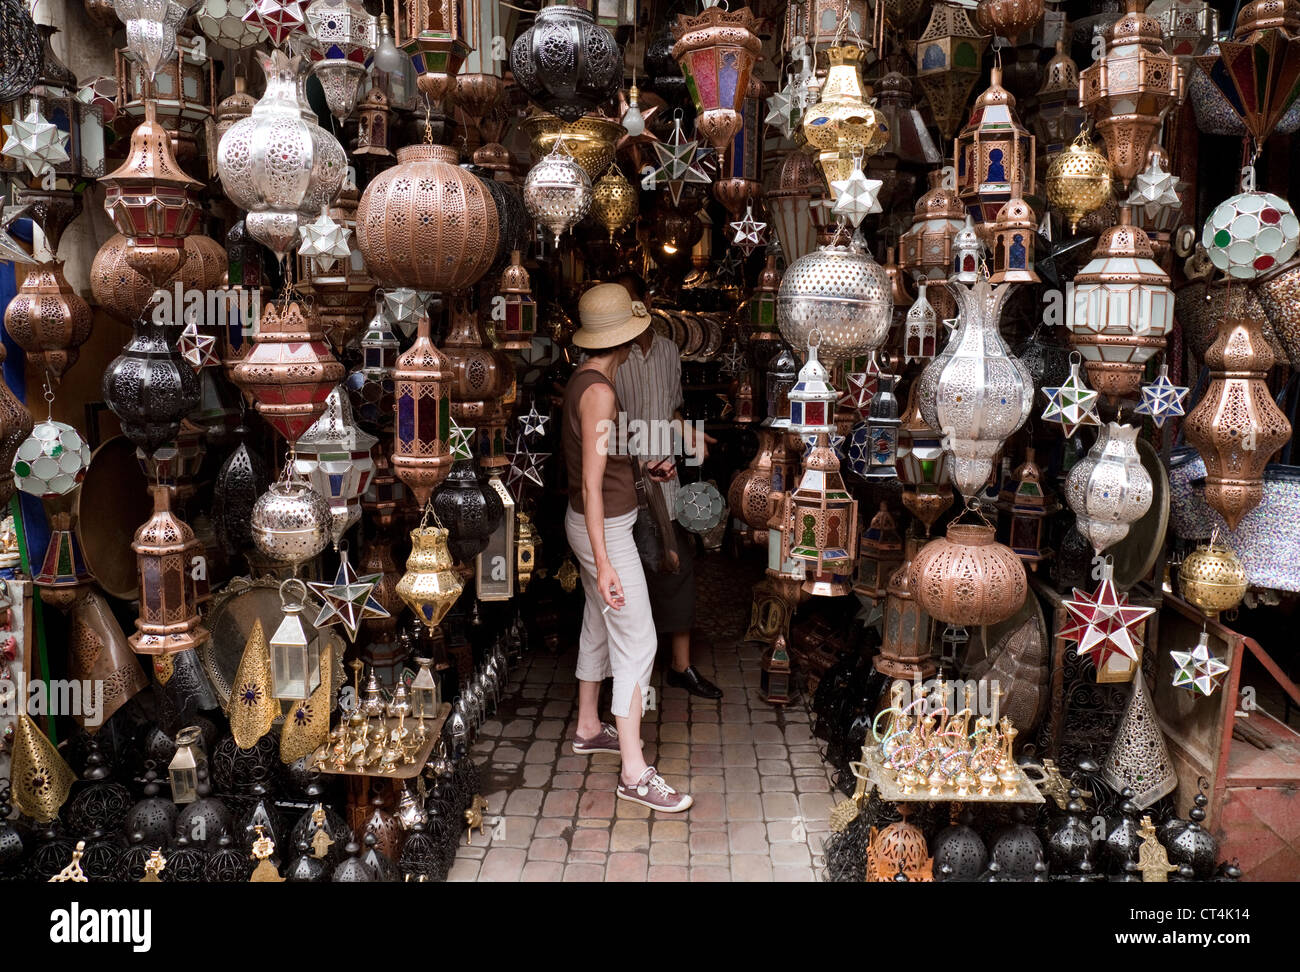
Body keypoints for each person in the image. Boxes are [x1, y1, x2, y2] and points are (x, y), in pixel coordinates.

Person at [562, 282, 693, 813]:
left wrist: (644, 467)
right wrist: (606, 561)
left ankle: (590, 725)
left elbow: (602, 462)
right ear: (625, 339)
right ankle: (634, 772)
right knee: (638, 642)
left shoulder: (584, 381)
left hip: (591, 524)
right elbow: (593, 484)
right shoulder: (601, 393)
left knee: (599, 621)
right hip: (605, 530)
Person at [613, 272, 722, 700]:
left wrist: (687, 433)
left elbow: (670, 409)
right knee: (629, 575)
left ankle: (680, 666)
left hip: (666, 482)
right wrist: (638, 461)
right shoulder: (607, 356)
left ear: (646, 300)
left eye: (631, 302)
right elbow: (601, 424)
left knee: (676, 567)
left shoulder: (668, 351)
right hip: (625, 484)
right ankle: (625, 674)